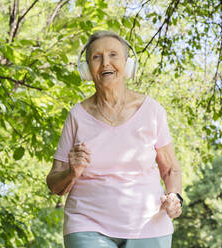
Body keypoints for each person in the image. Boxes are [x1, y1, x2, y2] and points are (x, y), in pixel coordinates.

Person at [46, 30, 182, 248]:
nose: (105, 63)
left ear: (127, 64)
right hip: (86, 224)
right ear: (87, 69)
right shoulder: (77, 116)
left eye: (113, 55)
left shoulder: (152, 111)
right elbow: (54, 183)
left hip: (149, 224)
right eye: (96, 57)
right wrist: (72, 172)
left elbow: (170, 169)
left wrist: (175, 197)